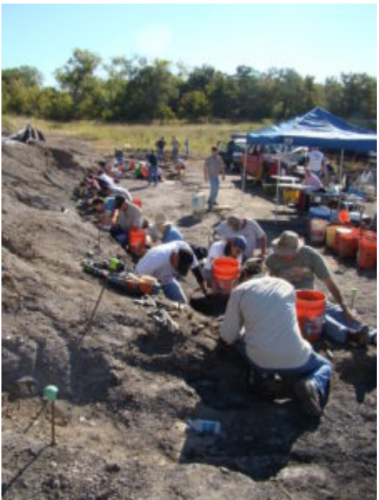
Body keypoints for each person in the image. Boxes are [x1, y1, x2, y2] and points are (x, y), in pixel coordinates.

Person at [220, 263, 332, 417]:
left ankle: (264, 378)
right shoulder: (286, 286)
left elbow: (228, 336)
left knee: (243, 341)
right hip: (295, 357)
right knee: (325, 365)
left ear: (244, 274)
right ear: (267, 273)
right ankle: (312, 383)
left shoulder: (240, 291)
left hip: (260, 360)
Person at [265, 231, 376, 346]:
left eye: (289, 253)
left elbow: (329, 283)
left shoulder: (310, 255)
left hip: (310, 299)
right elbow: (266, 285)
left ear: (297, 249)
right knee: (318, 318)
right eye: (283, 252)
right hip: (286, 301)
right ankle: (351, 336)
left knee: (338, 311)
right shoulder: (272, 260)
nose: (285, 256)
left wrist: (344, 307)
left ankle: (372, 335)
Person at [135, 241, 207, 303]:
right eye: (179, 266)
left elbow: (198, 273)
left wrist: (205, 291)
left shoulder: (187, 253)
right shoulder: (156, 259)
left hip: (167, 279)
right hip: (149, 280)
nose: (177, 270)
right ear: (175, 256)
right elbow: (137, 277)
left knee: (183, 304)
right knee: (157, 297)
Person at [204, 146, 225, 211]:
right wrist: (205, 176)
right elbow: (205, 167)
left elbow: (222, 167)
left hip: (216, 176)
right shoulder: (208, 159)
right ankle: (211, 201)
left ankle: (213, 200)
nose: (216, 154)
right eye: (214, 152)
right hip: (211, 176)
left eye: (216, 152)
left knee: (217, 189)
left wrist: (223, 175)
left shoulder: (219, 158)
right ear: (212, 152)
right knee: (214, 188)